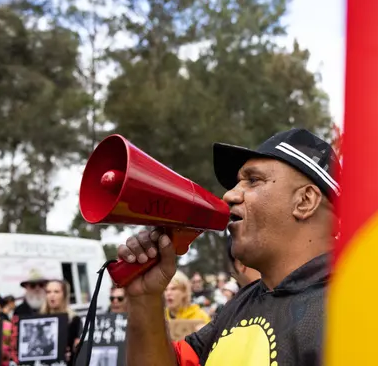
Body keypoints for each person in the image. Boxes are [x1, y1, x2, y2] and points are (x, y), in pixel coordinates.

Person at [118, 128, 339, 365]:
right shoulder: (239, 305)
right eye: (237, 183)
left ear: (305, 201)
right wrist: (145, 299)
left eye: (253, 180)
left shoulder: (352, 311)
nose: (229, 195)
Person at [40, 280, 82, 365]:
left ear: (64, 295)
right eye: (48, 292)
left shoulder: (74, 320)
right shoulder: (39, 320)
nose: (52, 295)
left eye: (56, 291)